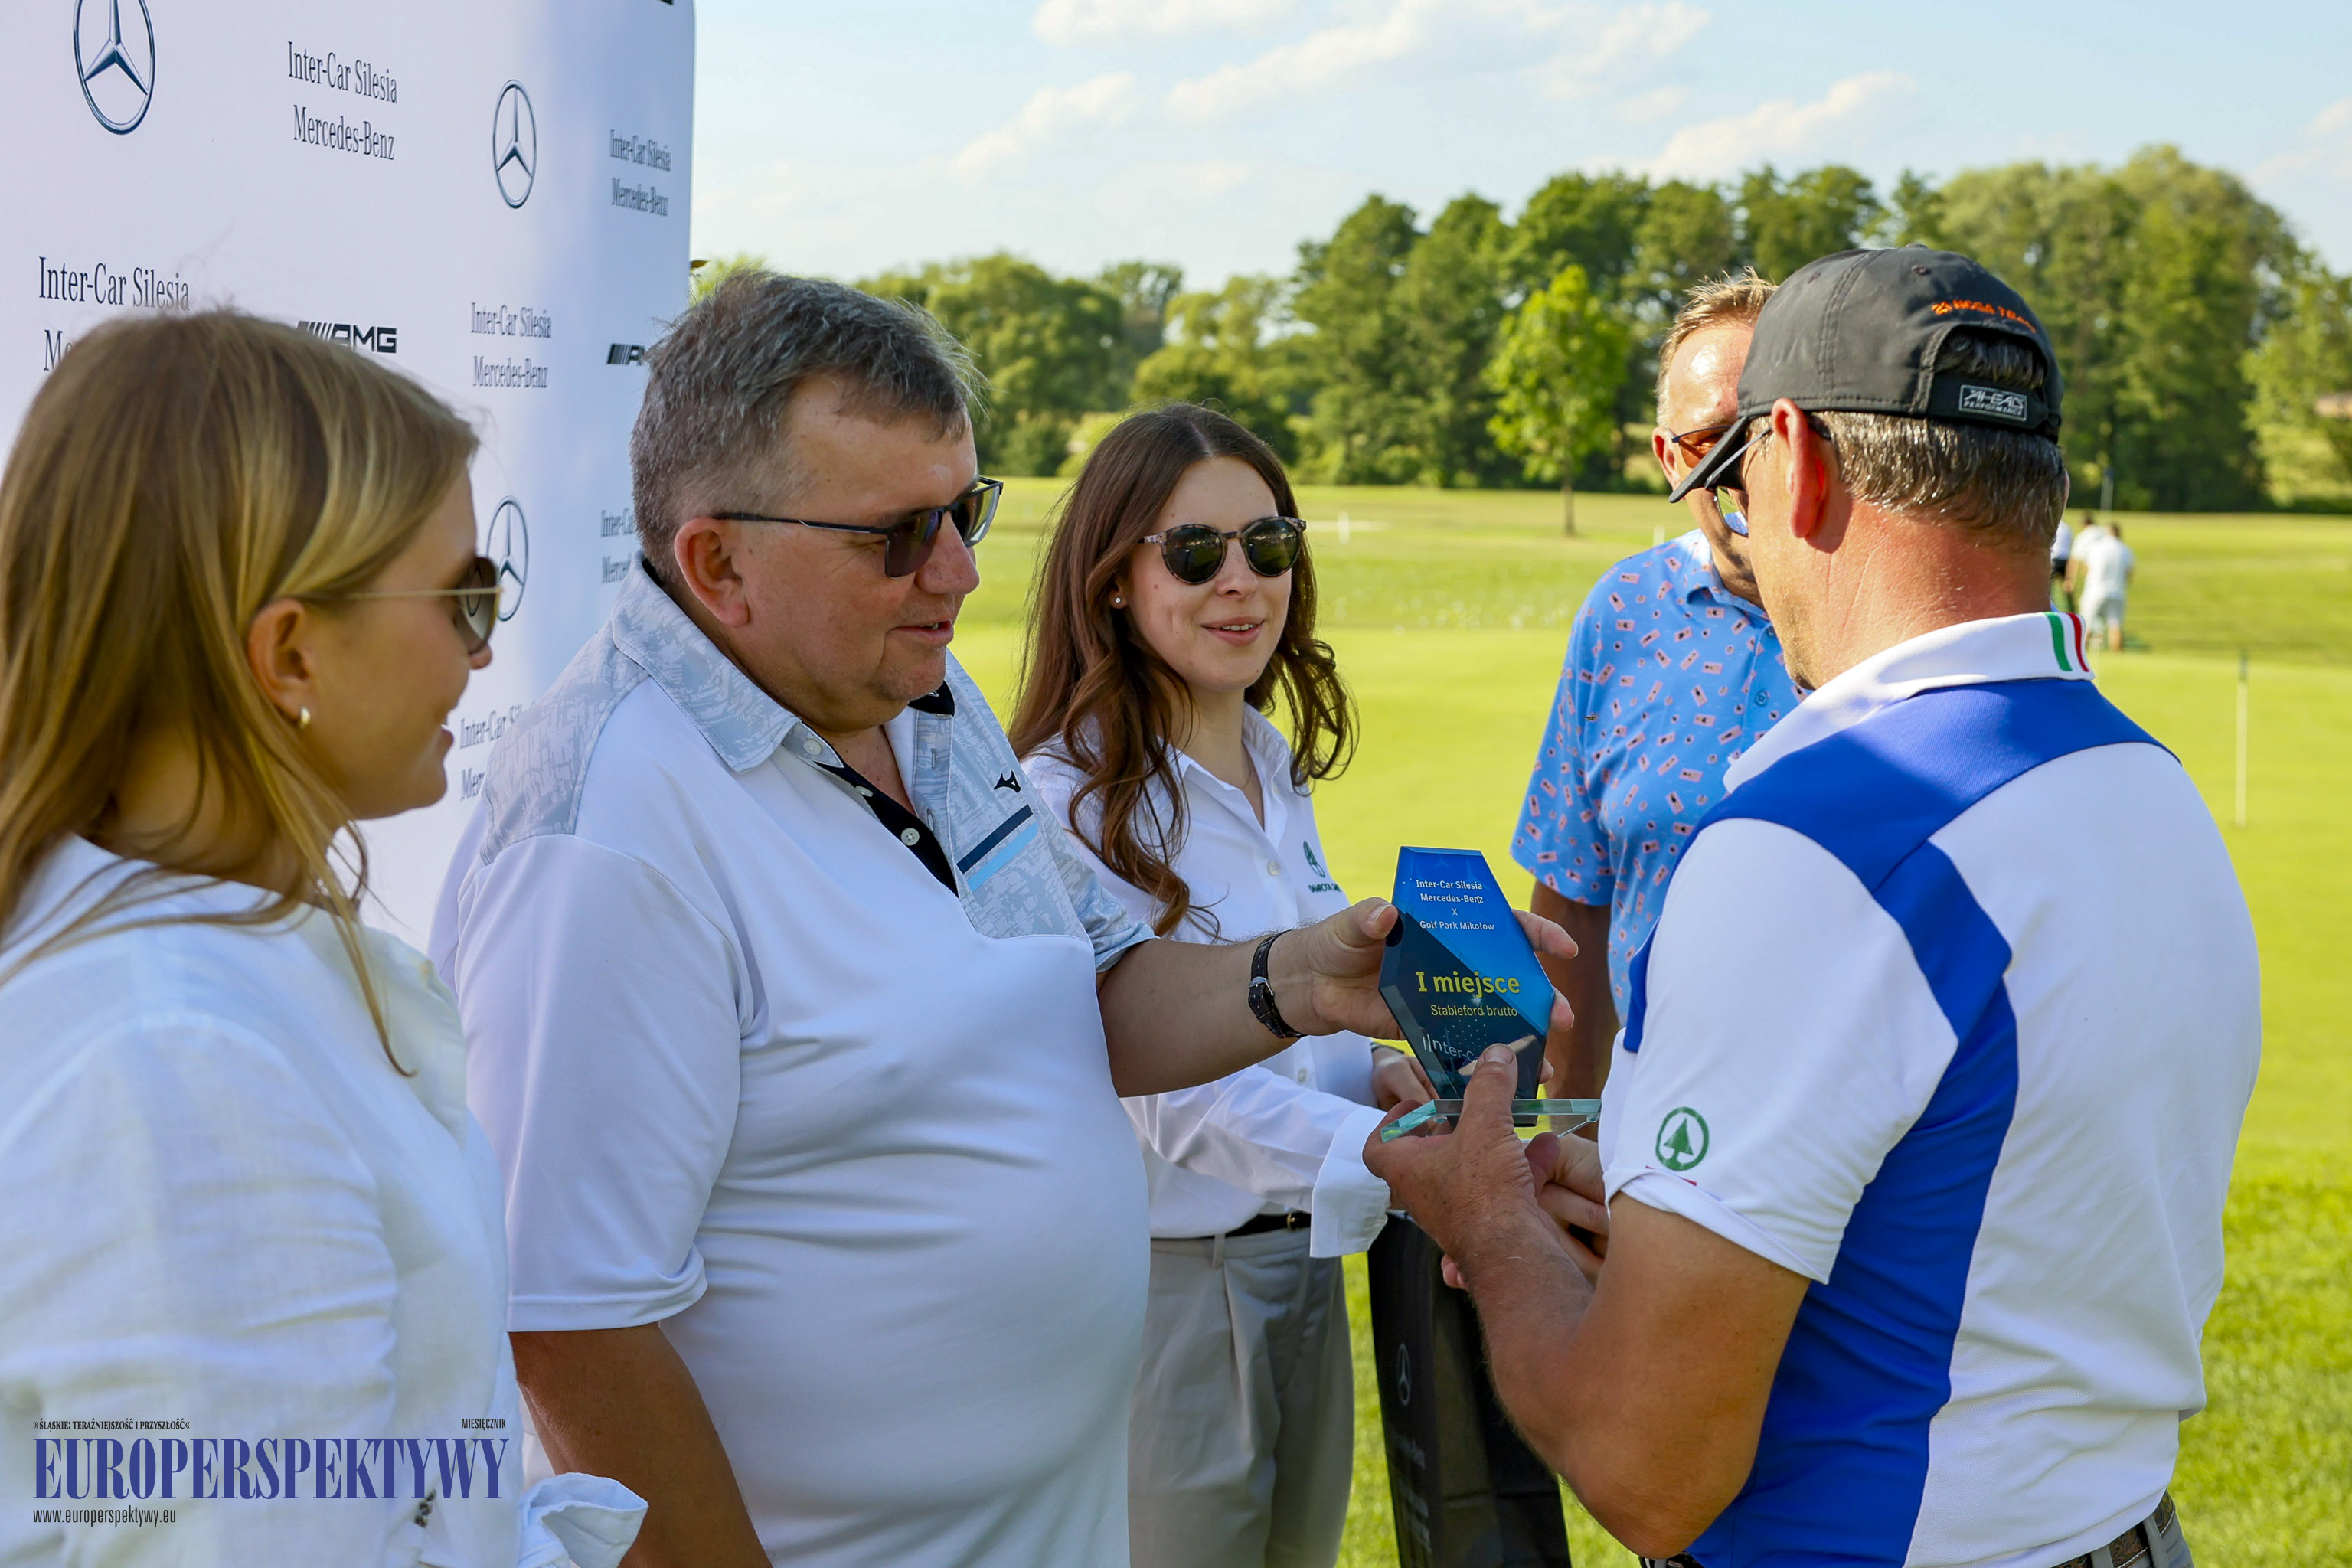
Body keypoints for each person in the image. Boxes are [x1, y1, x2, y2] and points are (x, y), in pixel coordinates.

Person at [431, 274, 1574, 1568]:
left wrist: (1308, 977)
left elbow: (1090, 980)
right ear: (717, 563)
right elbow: (573, 1325)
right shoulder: (609, 828)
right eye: (898, 534)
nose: (960, 573)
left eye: (965, 511)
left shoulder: (923, 696)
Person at [1368, 247, 2257, 1568]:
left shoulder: (1814, 840)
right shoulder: (2143, 779)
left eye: (1735, 472)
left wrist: (1485, 1213)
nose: (1733, 514)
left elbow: (1646, 1463)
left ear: (1794, 454)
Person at [0, 312, 641, 1565]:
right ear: (289, 651)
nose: (486, 647)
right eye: (464, 595)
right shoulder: (181, 1058)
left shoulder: (195, 976)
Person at [1013, 405, 1427, 1568]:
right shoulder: (1064, 798)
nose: (1241, 580)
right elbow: (1164, 1087)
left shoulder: (1269, 760)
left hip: (1310, 1265)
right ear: (1112, 579)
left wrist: (1388, 1071)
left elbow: (1298, 1021)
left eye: (1269, 544)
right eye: (1195, 552)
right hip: (1172, 1295)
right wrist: (1394, 1158)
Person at [1513, 273, 1801, 1097]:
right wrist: (1574, 1125)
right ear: (1671, 458)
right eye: (1713, 439)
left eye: (1769, 431)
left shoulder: (1891, 618)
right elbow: (1573, 897)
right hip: (1651, 1126)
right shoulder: (1623, 609)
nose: (1745, 469)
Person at [2073, 518, 2135, 651]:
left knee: (2087, 626)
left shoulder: (2096, 547)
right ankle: (2118, 657)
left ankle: (2080, 656)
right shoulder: (2126, 550)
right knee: (2115, 626)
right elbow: (2128, 576)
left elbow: (2086, 570)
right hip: (2117, 592)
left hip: (2095, 591)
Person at [2049, 509, 2074, 610]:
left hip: (2054, 560)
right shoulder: (2068, 528)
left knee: (2049, 588)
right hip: (2065, 560)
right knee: (2067, 588)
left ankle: (2049, 608)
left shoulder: (2053, 526)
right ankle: (2071, 608)